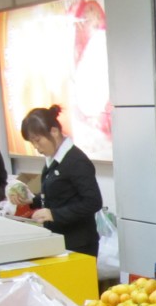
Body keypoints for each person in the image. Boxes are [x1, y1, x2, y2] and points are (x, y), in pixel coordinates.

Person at [10, 105, 103, 257]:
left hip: (79, 243)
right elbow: (57, 195)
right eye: (31, 142)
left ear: (54, 131)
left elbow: (93, 202)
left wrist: (55, 214)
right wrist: (31, 199)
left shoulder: (76, 161)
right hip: (58, 239)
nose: (35, 147)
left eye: (38, 140)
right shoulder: (53, 160)